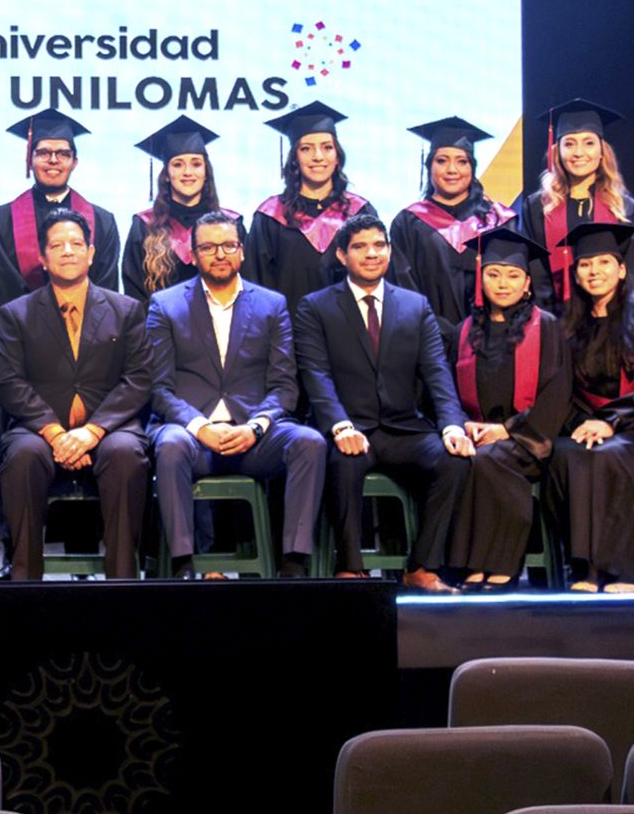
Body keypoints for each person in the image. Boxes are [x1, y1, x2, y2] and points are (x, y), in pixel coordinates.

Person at [294, 210, 471, 588]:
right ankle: (350, 567)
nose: (372, 253)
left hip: (403, 428)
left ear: (390, 251)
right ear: (342, 255)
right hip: (351, 427)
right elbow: (316, 376)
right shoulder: (315, 307)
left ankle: (422, 567)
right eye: (360, 247)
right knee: (344, 462)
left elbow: (437, 373)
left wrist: (452, 426)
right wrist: (340, 426)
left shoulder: (415, 305)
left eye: (379, 245)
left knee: (454, 461)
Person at [145, 208, 324, 580]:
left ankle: (293, 565)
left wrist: (255, 427)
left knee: (309, 442)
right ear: (193, 254)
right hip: (193, 436)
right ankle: (182, 565)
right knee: (171, 444)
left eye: (228, 245)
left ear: (242, 251)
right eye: (208, 247)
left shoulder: (271, 304)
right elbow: (159, 389)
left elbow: (284, 386)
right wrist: (200, 427)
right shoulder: (166, 305)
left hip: (253, 436)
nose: (220, 254)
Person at [0, 208, 157, 581]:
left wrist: (91, 432)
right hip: (39, 430)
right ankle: (24, 582)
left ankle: (122, 581)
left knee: (125, 454)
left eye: (76, 244)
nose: (67, 251)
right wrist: (55, 433)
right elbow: (8, 382)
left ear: (91, 253)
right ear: (42, 257)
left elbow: (139, 378)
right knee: (22, 456)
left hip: (109, 428)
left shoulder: (126, 310)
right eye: (57, 245)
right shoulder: (16, 314)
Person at [546, 219, 634, 592]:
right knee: (566, 455)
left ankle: (625, 571)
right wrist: (579, 422)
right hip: (590, 426)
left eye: (604, 262)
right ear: (575, 273)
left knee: (608, 455)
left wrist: (610, 422)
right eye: (585, 264)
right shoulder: (567, 325)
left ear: (621, 270)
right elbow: (561, 388)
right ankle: (585, 569)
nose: (594, 271)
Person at [440, 226, 572, 590]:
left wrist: (507, 429)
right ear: (480, 278)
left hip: (528, 437)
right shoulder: (464, 332)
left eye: (513, 275)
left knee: (489, 460)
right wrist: (463, 425)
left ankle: (497, 565)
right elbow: (446, 390)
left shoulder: (546, 327)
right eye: (494, 274)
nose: (502, 283)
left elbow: (557, 394)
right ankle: (463, 566)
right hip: (477, 435)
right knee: (461, 462)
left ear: (527, 283)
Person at [388, 116, 515, 345]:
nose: (452, 170)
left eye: (462, 161)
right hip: (428, 341)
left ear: (472, 167)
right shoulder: (407, 223)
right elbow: (402, 288)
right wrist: (439, 331)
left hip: (490, 341)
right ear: (429, 166)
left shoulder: (497, 220)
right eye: (442, 161)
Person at [0, 111, 123, 315]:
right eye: (43, 153)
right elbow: (0, 285)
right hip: (22, 326)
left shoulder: (103, 220)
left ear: (74, 162)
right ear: (30, 159)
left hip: (88, 327)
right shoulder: (2, 219)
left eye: (63, 154)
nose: (53, 160)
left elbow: (106, 286)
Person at [513, 99, 634, 312]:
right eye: (569, 144)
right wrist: (551, 317)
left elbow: (631, 269)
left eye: (589, 143)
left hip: (610, 316)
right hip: (554, 315)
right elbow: (535, 269)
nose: (579, 153)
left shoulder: (624, 208)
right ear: (557, 151)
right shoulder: (537, 207)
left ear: (602, 151)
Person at [247, 101, 372, 312]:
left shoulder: (359, 212)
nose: (318, 157)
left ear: (337, 156)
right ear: (294, 158)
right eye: (306, 149)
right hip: (288, 329)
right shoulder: (270, 216)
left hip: (350, 328)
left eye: (327, 147)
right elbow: (256, 286)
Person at [125, 115, 223, 298]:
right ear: (167, 175)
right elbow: (134, 294)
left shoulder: (229, 225)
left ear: (206, 172)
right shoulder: (144, 226)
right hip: (157, 317)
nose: (188, 172)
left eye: (196, 164)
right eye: (178, 165)